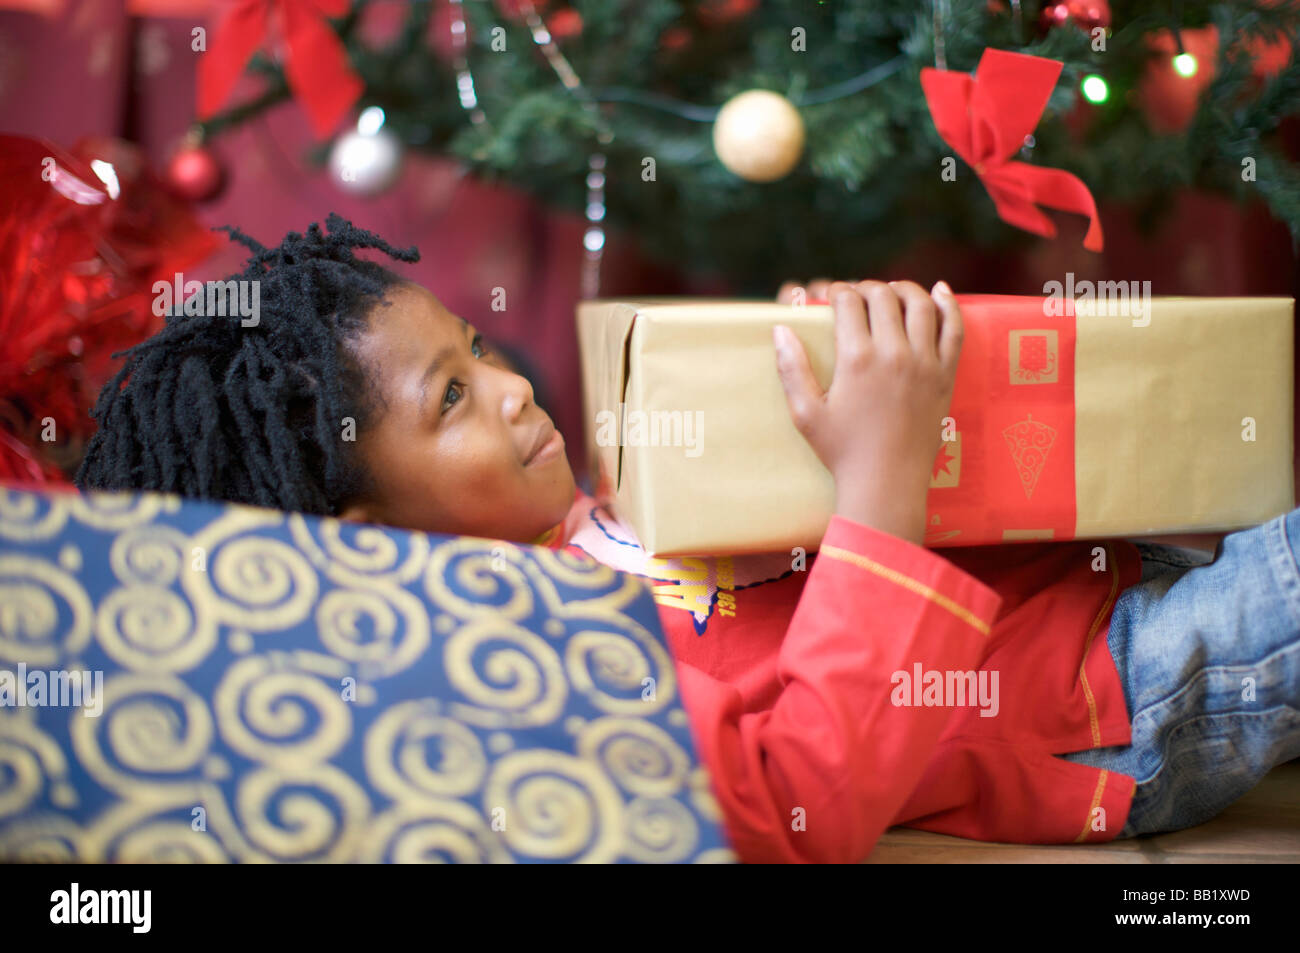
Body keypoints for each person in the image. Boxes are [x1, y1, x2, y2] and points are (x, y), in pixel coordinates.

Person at [76, 215, 1300, 863]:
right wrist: (877, 474)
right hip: (1109, 700)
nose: (509, 386)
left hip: (1087, 585)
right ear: (369, 543)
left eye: (477, 349)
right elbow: (799, 800)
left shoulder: (568, 522)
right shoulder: (526, 678)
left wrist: (795, 382)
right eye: (449, 398)